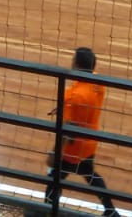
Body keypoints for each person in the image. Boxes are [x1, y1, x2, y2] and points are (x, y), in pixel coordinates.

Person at [41, 47, 121, 217]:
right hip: (90, 140)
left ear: (76, 65)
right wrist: (65, 107)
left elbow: (68, 127)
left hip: (72, 148)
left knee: (54, 180)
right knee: (90, 174)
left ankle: (49, 211)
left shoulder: (74, 96)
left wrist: (54, 153)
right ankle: (111, 211)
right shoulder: (98, 82)